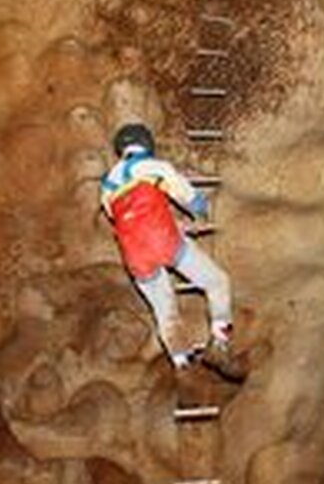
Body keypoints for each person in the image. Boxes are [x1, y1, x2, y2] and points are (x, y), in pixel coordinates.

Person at [100, 122, 240, 376]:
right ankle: (220, 343)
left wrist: (173, 224)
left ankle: (182, 367)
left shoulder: (107, 184)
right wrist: (199, 207)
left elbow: (123, 216)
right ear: (146, 143)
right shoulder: (152, 166)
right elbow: (184, 193)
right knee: (217, 282)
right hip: (163, 240)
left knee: (165, 313)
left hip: (134, 255)